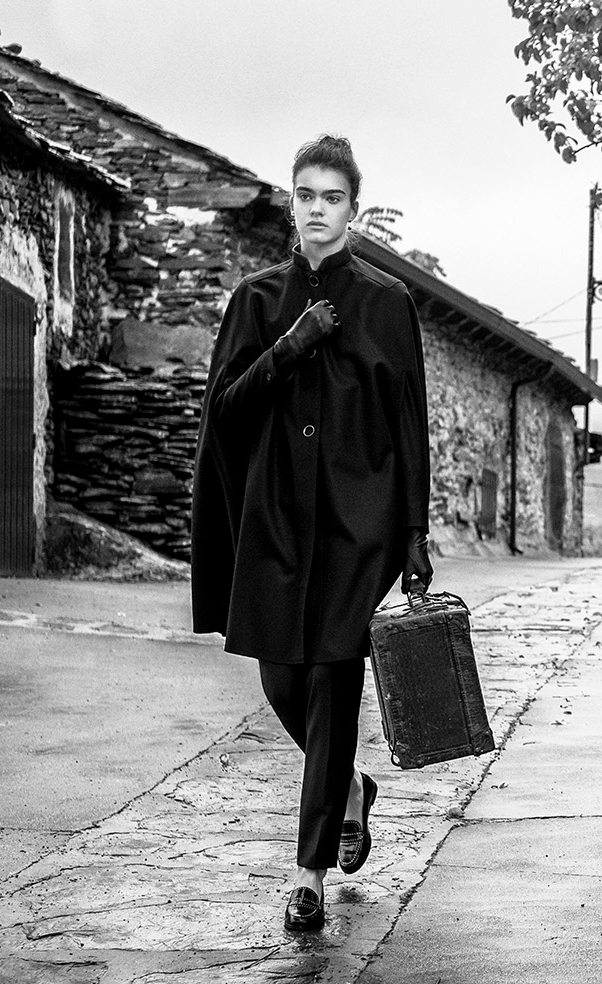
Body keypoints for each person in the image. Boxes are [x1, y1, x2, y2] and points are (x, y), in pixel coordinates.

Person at [190, 134, 433, 932]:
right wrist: (286, 350)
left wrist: (413, 532)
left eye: (333, 197)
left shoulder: (388, 304)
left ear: (354, 209)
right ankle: (351, 788)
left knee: (332, 679)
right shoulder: (255, 300)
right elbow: (224, 414)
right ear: (291, 204)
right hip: (272, 520)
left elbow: (409, 425)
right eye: (306, 196)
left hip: (358, 526)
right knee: (283, 683)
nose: (318, 210)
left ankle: (308, 875)